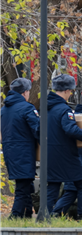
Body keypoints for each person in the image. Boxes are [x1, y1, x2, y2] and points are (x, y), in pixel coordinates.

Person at [46, 74, 82, 217]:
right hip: (66, 154)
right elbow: (71, 129)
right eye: (70, 91)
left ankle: (45, 216)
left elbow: (38, 130)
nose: (70, 94)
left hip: (50, 154)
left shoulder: (45, 108)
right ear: (66, 91)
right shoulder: (64, 109)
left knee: (53, 185)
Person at [0, 78, 40, 218]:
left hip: (10, 152)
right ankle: (15, 215)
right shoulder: (27, 108)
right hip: (24, 152)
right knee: (23, 187)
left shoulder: (4, 110)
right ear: (25, 93)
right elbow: (38, 130)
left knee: (26, 183)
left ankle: (27, 213)